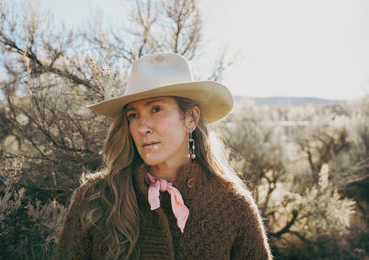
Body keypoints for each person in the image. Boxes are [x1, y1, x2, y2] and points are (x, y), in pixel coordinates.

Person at [54, 53, 272, 259]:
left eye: (156, 109)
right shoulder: (95, 197)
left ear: (191, 118)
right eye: (133, 115)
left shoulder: (232, 206)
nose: (142, 127)